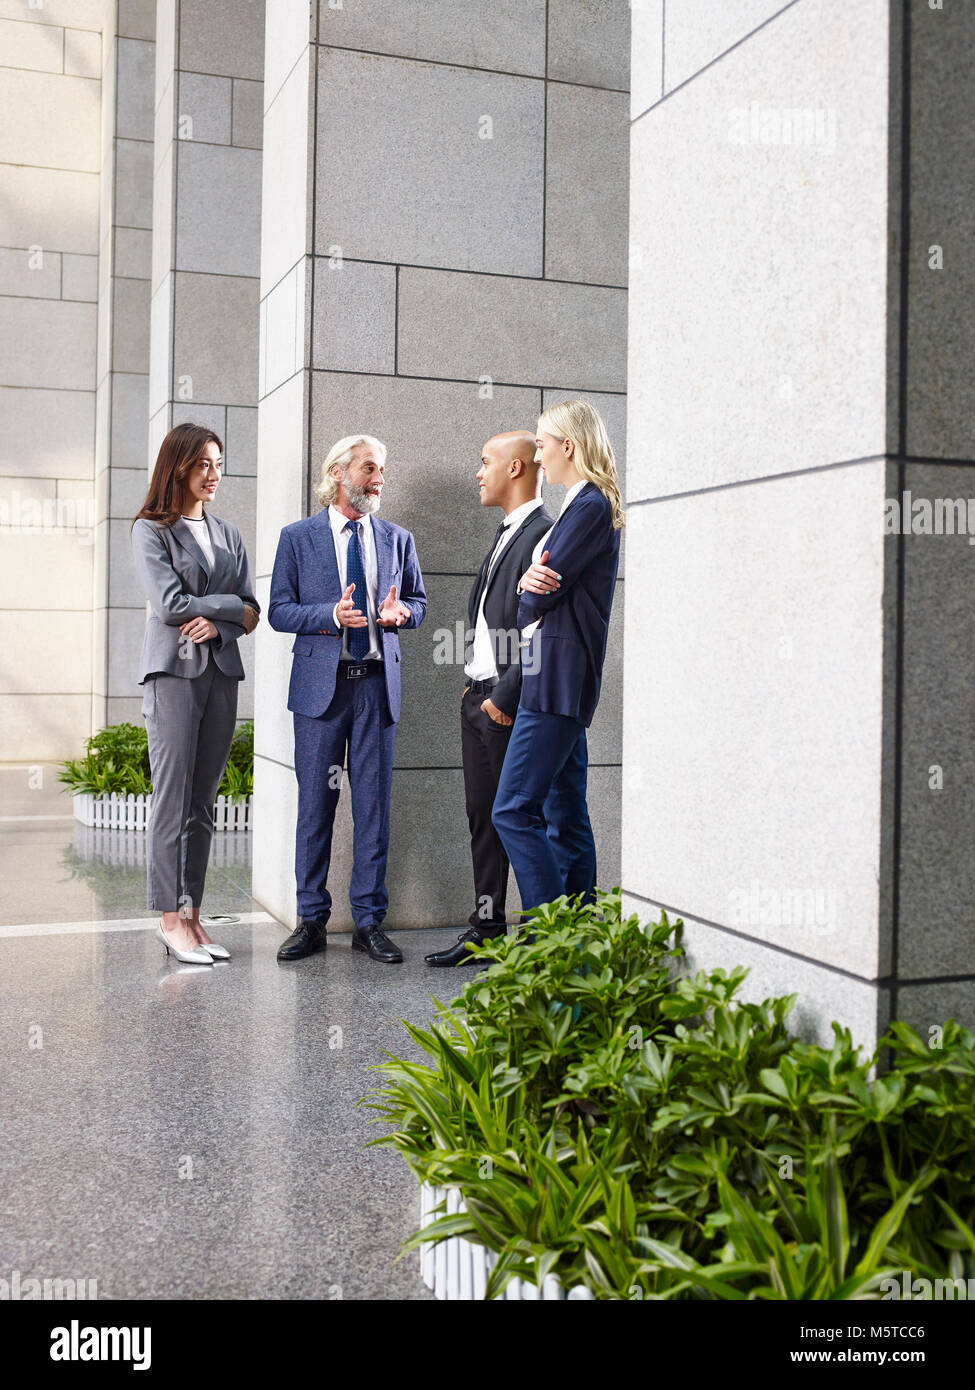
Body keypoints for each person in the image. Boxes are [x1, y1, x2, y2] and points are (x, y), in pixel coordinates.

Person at [268, 435, 426, 964]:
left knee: (373, 810)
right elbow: (279, 611)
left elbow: (418, 602)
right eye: (369, 468)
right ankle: (311, 921)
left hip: (376, 689)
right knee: (315, 807)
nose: (378, 478)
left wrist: (404, 613)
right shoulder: (298, 538)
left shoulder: (398, 538)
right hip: (320, 693)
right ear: (338, 472)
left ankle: (368, 923)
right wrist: (330, 615)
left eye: (382, 469)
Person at [131, 423, 260, 964]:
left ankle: (193, 917)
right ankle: (168, 919)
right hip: (173, 676)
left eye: (219, 462)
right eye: (203, 463)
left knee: (203, 802)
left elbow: (254, 610)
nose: (214, 474)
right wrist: (224, 606)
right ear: (178, 466)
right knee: (173, 799)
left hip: (220, 675)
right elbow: (169, 605)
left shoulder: (229, 534)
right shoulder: (150, 530)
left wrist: (223, 623)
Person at [426, 432, 554, 967]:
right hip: (477, 698)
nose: (479, 473)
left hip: (508, 702)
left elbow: (543, 631)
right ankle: (487, 928)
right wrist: (473, 683)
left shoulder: (545, 533)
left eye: (486, 463)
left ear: (518, 467)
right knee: (483, 815)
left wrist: (502, 695)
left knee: (519, 817)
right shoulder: (506, 534)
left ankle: (544, 935)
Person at [492, 400, 623, 913]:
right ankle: (578, 933)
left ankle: (549, 937)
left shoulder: (589, 504)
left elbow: (537, 599)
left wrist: (529, 590)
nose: (539, 458)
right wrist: (530, 583)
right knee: (565, 813)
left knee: (512, 810)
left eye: (543, 446)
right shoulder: (584, 504)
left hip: (555, 679)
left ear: (568, 446)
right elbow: (538, 585)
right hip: (564, 679)